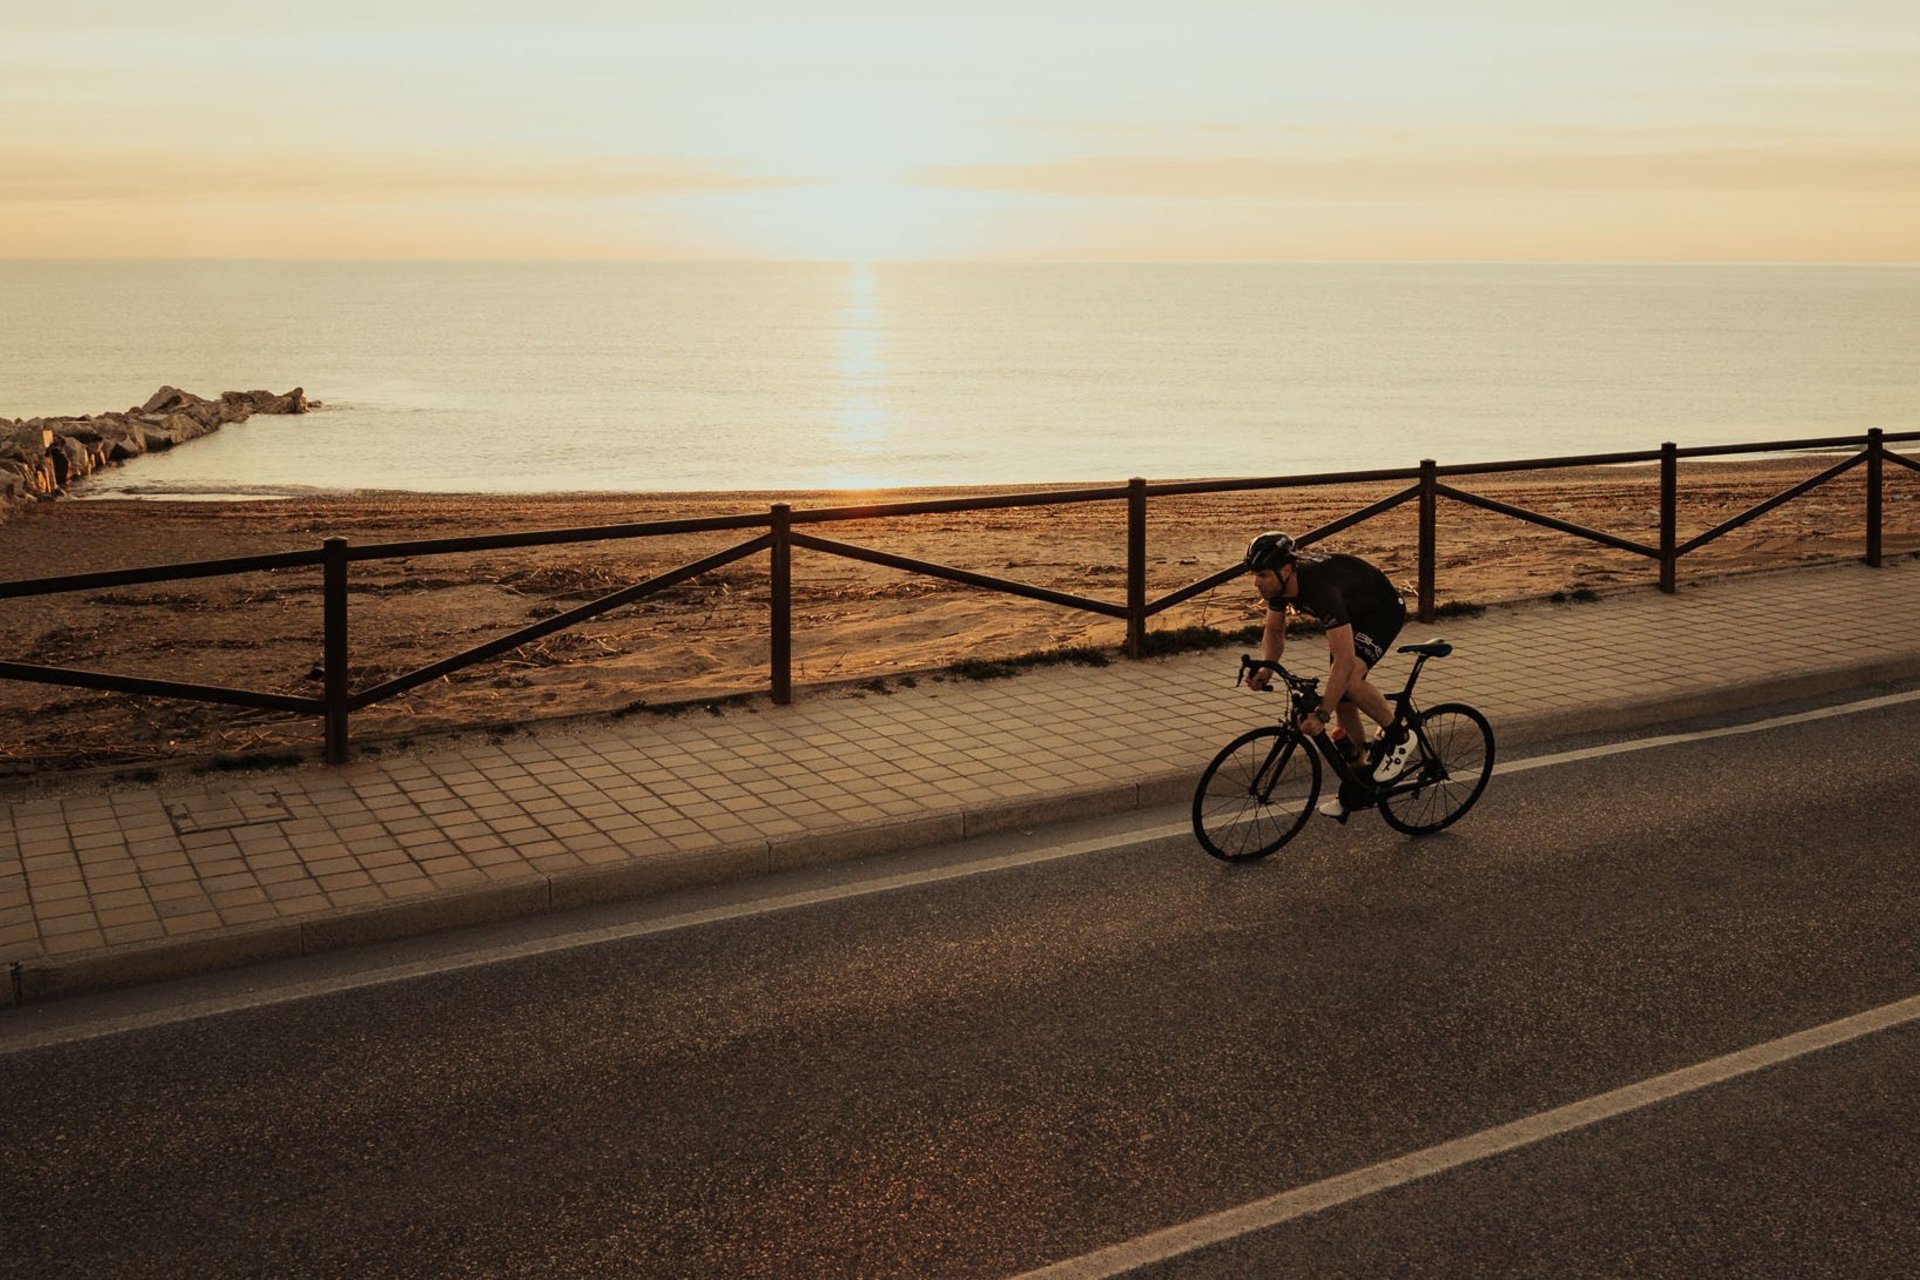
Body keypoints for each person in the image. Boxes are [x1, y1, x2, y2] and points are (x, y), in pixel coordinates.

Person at [1241, 531, 1412, 819]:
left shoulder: (1321, 590)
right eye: (1254, 575)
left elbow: (1344, 664)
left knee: (1350, 681)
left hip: (1380, 611)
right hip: (1350, 612)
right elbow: (1274, 630)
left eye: (1263, 575)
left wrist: (1321, 714)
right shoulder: (1279, 588)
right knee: (1342, 697)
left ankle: (1400, 736)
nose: (1257, 582)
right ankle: (1358, 782)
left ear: (1285, 569)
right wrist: (1267, 667)